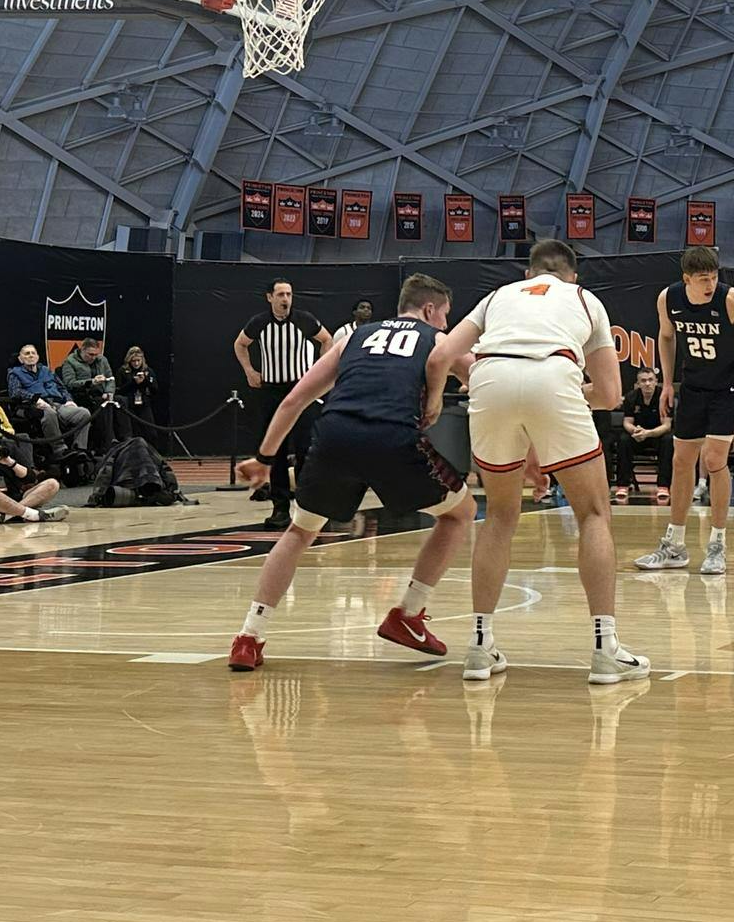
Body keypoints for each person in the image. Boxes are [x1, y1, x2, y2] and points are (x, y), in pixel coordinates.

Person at [423, 239, 644, 686]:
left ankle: (479, 649)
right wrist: (559, 394)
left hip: (490, 380)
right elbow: (610, 396)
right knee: (594, 514)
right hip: (553, 373)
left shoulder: (498, 296)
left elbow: (441, 357)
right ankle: (605, 650)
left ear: (528, 274)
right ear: (572, 276)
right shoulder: (585, 299)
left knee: (500, 517)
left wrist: (431, 403)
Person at [228, 275, 477, 671]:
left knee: (299, 532)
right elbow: (482, 377)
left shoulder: (354, 338)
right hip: (392, 438)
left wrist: (264, 457)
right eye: (445, 315)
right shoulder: (437, 341)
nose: (446, 324)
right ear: (430, 310)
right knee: (459, 514)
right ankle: (408, 615)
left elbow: (295, 399)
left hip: (335, 437)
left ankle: (248, 636)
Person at [634, 247, 734, 576]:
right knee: (681, 460)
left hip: (729, 387)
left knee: (713, 460)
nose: (710, 284)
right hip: (693, 386)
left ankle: (717, 543)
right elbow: (666, 337)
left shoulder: (731, 298)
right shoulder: (669, 298)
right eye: (703, 279)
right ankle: (675, 545)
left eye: (714, 277)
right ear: (687, 280)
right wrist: (667, 382)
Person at [233, 280, 333, 528]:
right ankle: (280, 509)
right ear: (270, 298)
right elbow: (240, 344)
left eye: (288, 294)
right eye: (280, 294)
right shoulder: (259, 322)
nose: (285, 298)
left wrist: (319, 372)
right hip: (271, 391)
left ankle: (307, 507)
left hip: (300, 389)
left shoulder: (304, 319)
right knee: (274, 452)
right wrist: (249, 371)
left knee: (305, 451)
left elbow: (327, 340)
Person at [0, 406, 67, 524]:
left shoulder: (9, 446)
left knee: (52, 484)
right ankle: (34, 515)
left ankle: (6, 516)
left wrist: (11, 463)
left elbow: (30, 478)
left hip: (13, 498)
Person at [7, 344, 93, 456]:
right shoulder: (15, 372)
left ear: (38, 357)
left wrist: (68, 400)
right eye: (27, 353)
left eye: (33, 353)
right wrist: (35, 399)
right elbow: (15, 392)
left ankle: (79, 449)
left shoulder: (46, 370)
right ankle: (60, 450)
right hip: (31, 406)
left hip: (57, 403)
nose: (30, 356)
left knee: (83, 413)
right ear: (20, 358)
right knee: (49, 413)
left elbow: (61, 387)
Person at [614, 366, 673, 505]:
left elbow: (667, 425)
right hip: (638, 436)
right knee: (623, 440)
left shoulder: (663, 397)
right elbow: (627, 422)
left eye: (650, 380)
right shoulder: (631, 397)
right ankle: (623, 485)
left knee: (668, 440)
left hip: (657, 435)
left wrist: (649, 433)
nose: (647, 383)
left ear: (656, 382)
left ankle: (663, 486)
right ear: (638, 384)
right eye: (643, 380)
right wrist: (635, 431)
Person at [59, 336, 127, 448]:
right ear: (82, 350)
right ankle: (108, 441)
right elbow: (69, 384)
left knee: (121, 400)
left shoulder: (102, 360)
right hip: (83, 395)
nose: (93, 357)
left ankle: (126, 437)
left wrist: (109, 392)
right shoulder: (70, 362)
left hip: (103, 393)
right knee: (102, 403)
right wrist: (91, 382)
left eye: (96, 354)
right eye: (90, 354)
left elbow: (111, 378)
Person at [116, 346, 157, 429]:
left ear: (142, 360)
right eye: (133, 361)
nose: (136, 363)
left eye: (138, 360)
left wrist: (145, 381)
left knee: (150, 432)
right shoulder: (122, 371)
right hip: (128, 406)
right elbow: (118, 390)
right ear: (129, 360)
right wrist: (133, 382)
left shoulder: (148, 371)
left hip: (144, 404)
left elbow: (155, 389)